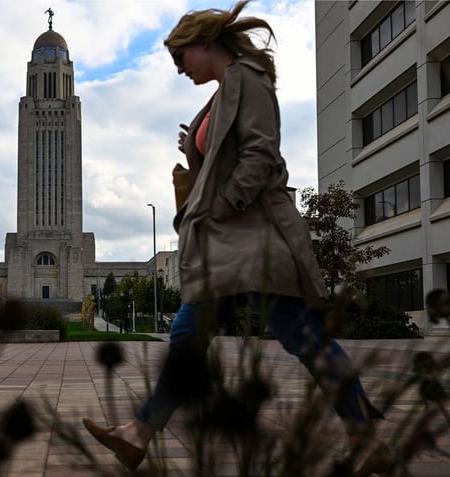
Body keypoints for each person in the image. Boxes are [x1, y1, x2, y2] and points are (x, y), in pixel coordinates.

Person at [83, 1, 385, 471]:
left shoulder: (250, 80)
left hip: (255, 238)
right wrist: (194, 150)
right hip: (227, 246)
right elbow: (224, 162)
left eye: (179, 58)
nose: (178, 70)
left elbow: (261, 156)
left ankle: (365, 434)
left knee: (302, 337)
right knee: (188, 335)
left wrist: (222, 207)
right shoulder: (221, 93)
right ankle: (138, 432)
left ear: (203, 43)